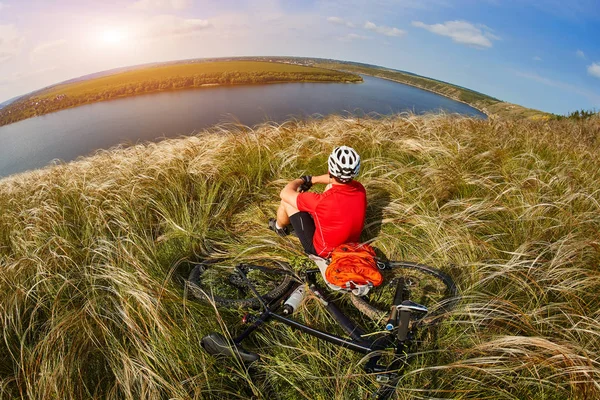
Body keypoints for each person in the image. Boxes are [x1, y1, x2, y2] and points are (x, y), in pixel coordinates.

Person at [269, 145, 367, 258]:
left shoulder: (321, 202)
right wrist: (313, 180)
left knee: (287, 201)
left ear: (330, 169)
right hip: (349, 245)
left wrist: (301, 179)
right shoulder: (360, 189)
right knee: (330, 186)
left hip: (323, 251)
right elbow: (336, 180)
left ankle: (279, 228)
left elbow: (285, 193)